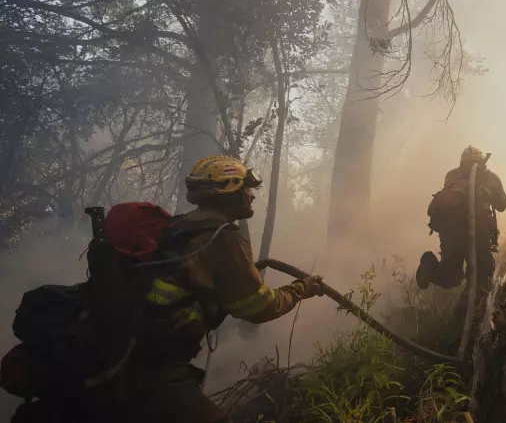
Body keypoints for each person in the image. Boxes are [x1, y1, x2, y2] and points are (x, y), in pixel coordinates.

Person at [12, 156, 324, 423]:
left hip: (121, 353)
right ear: (229, 190)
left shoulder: (176, 227)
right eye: (247, 188)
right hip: (150, 372)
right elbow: (258, 307)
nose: (252, 196)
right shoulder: (221, 237)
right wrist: (302, 289)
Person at [416, 146, 506, 293]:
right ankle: (473, 310)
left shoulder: (452, 175)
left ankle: (429, 265)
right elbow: (502, 205)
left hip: (451, 233)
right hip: (479, 233)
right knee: (483, 278)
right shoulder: (490, 177)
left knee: (450, 278)